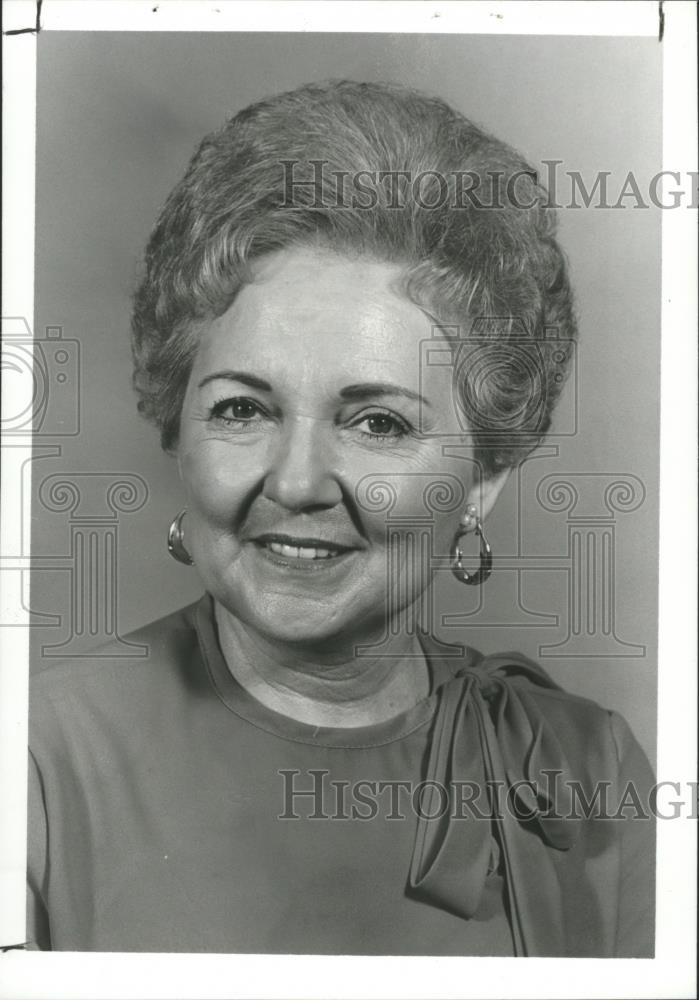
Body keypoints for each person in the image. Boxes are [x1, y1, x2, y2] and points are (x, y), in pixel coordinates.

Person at [27, 80, 654, 957]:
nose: (297, 482)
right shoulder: (37, 760)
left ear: (482, 481)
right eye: (243, 410)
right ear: (177, 429)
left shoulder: (583, 767)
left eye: (378, 423)